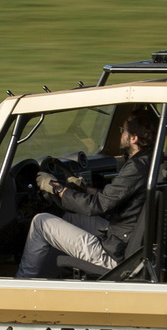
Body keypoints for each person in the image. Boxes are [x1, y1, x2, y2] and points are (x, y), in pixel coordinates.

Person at [17, 107, 158, 279]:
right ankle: (50, 278)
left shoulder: (136, 167)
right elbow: (113, 199)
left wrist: (57, 188)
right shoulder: (151, 162)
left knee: (41, 222)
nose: (121, 134)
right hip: (125, 237)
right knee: (69, 217)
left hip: (116, 255)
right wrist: (82, 188)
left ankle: (22, 282)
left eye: (123, 130)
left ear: (134, 138)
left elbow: (98, 206)